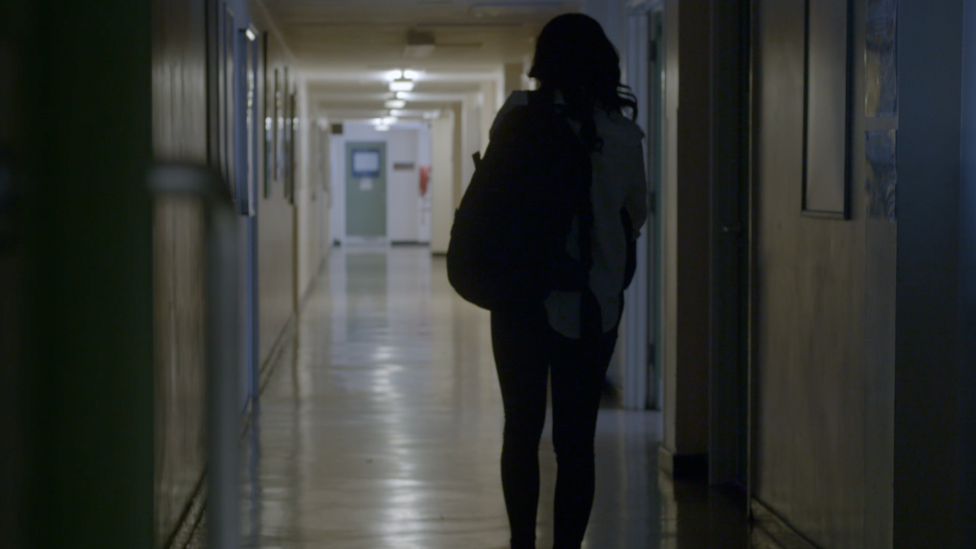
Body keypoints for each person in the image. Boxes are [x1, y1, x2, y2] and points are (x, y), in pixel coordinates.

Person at [486, 13, 648, 549]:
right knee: (576, 442)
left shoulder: (516, 114)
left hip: (520, 298)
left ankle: (520, 544)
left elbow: (495, 199)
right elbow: (636, 216)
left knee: (521, 430)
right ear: (606, 63)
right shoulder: (622, 135)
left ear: (543, 63)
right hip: (592, 305)